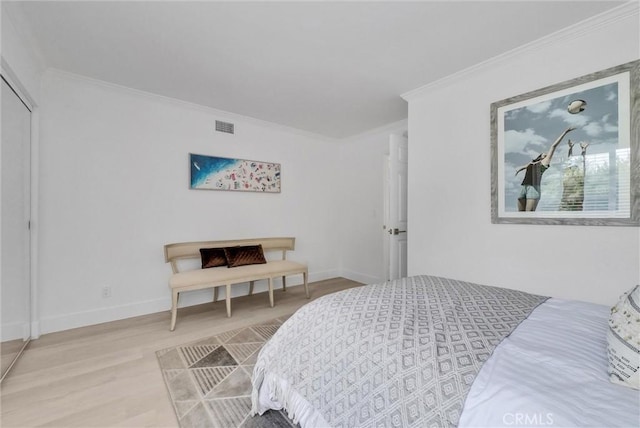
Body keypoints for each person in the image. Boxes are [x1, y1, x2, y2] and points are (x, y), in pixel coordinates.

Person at [515, 126, 576, 211]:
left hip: (533, 188)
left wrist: (565, 132)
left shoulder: (544, 163)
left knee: (528, 215)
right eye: (544, 154)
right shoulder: (532, 163)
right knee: (520, 214)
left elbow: (553, 146)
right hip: (523, 187)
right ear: (539, 156)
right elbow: (524, 167)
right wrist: (518, 170)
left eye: (547, 155)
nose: (546, 154)